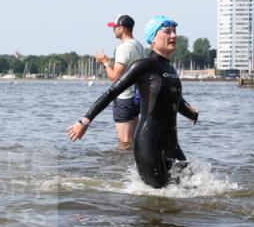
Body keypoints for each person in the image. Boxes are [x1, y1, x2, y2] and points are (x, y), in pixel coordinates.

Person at [69, 15, 199, 189]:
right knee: (157, 197)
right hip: (148, 143)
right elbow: (111, 92)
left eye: (175, 31)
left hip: (172, 144)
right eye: (168, 31)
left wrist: (192, 114)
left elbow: (176, 101)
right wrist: (84, 121)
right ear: (153, 38)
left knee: (191, 186)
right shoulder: (143, 65)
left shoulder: (170, 69)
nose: (174, 36)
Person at [93, 14, 148, 150]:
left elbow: (115, 77)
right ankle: (133, 169)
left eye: (115, 27)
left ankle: (122, 170)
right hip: (136, 98)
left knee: (124, 142)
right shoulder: (139, 46)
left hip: (124, 98)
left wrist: (104, 63)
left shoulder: (124, 47)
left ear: (122, 28)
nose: (113, 30)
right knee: (132, 142)